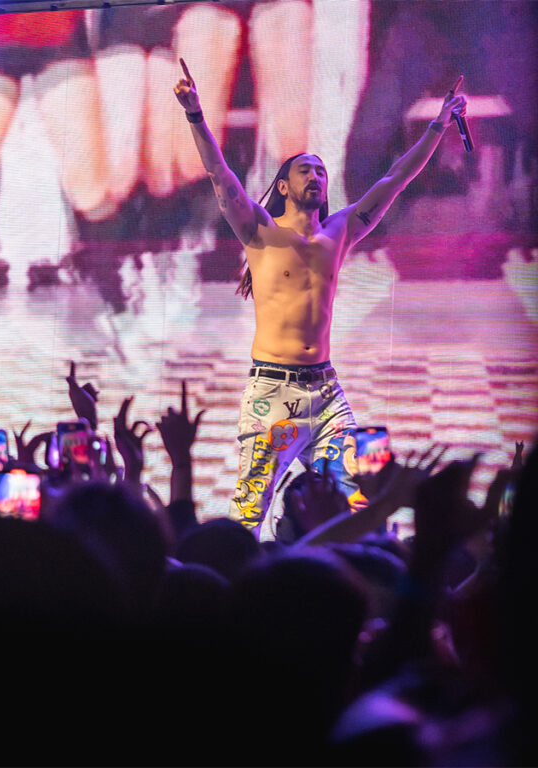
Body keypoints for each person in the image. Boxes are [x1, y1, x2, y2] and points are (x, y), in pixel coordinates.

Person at [173, 59, 468, 538]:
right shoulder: (260, 232)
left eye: (322, 171)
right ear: (284, 186)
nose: (316, 176)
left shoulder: (341, 230)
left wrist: (437, 125)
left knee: (354, 497)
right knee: (252, 506)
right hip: (274, 393)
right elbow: (220, 175)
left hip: (326, 390)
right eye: (305, 170)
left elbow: (396, 178)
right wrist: (195, 116)